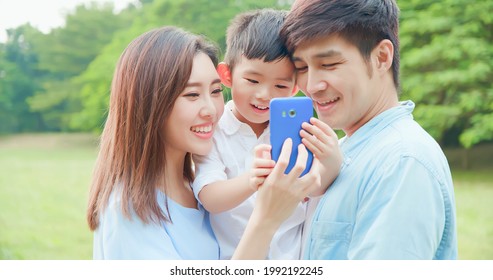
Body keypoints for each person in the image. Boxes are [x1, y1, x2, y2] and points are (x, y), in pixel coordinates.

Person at [86, 26, 321, 260]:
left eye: (216, 91)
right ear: (149, 104)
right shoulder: (130, 211)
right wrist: (267, 219)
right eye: (192, 95)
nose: (211, 110)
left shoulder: (194, 186)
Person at [278, 0, 458, 259]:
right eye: (302, 68)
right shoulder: (340, 152)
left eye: (328, 64)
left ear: (381, 57)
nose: (312, 85)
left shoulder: (402, 162)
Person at [191, 9, 338, 260]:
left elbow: (315, 188)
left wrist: (332, 161)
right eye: (252, 80)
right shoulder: (215, 133)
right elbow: (209, 197)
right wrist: (252, 180)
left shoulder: (300, 130)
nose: (264, 95)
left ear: (294, 88)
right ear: (226, 75)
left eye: (280, 85)